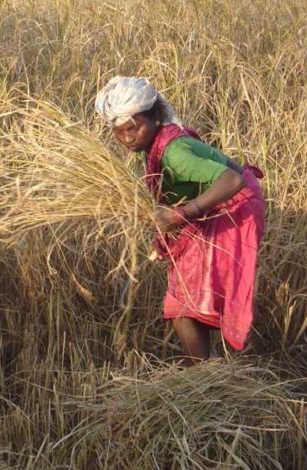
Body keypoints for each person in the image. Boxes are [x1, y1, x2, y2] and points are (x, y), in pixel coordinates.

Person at [95, 76, 266, 364]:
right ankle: (205, 374)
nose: (127, 138)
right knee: (188, 297)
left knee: (184, 306)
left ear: (155, 117)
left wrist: (184, 213)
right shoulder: (155, 146)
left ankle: (201, 378)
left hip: (235, 207)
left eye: (134, 128)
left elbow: (232, 180)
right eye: (119, 131)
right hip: (213, 207)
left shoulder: (174, 153)